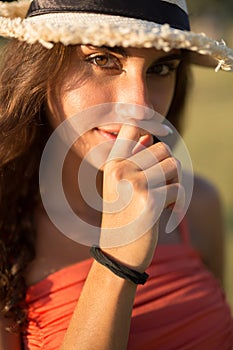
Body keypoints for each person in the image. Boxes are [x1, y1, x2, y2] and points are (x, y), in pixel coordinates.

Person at [0, 0, 233, 349]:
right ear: (40, 70)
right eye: (102, 59)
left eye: (161, 68)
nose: (140, 107)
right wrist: (118, 262)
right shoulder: (6, 231)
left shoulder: (198, 205)